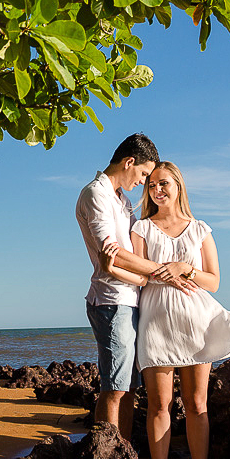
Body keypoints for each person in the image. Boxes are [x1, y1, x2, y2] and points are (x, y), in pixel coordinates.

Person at [112, 161, 230, 459]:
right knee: (160, 405)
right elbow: (140, 274)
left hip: (195, 324)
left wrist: (183, 269)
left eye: (164, 184)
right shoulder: (141, 229)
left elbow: (213, 281)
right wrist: (161, 271)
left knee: (196, 403)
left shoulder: (200, 229)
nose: (157, 190)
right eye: (152, 185)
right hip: (156, 325)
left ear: (178, 186)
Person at [74, 133, 160, 440]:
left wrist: (143, 277)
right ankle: (106, 458)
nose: (144, 182)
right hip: (111, 300)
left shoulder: (121, 200)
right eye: (144, 174)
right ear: (129, 162)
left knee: (129, 387)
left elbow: (130, 256)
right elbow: (111, 251)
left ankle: (120, 452)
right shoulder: (95, 194)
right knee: (115, 387)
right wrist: (160, 272)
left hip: (130, 298)